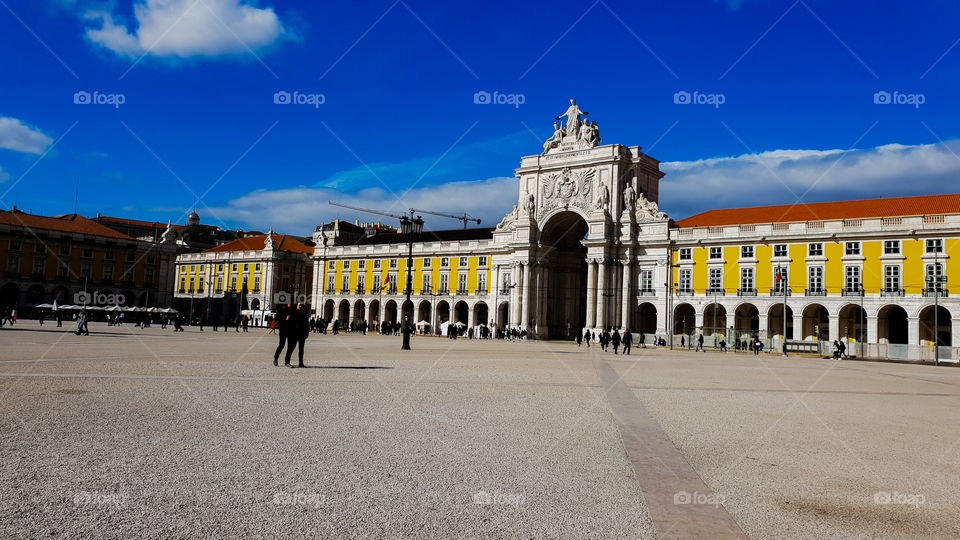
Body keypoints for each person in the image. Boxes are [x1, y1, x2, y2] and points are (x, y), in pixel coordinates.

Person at [284, 303, 309, 368]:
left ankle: (301, 363)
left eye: (302, 305)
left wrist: (307, 333)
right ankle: (287, 362)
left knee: (301, 349)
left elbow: (306, 324)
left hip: (302, 334)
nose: (301, 306)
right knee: (291, 348)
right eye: (299, 305)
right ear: (297, 306)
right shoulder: (293, 313)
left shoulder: (304, 314)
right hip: (293, 333)